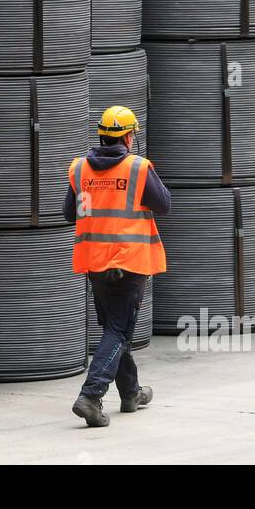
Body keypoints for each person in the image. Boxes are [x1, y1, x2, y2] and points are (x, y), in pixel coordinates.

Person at [63, 105, 171, 428]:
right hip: (128, 262)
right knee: (119, 330)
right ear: (127, 137)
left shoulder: (80, 169)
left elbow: (71, 213)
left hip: (95, 264)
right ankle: (91, 396)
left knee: (115, 328)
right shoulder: (137, 168)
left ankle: (131, 392)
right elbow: (164, 204)